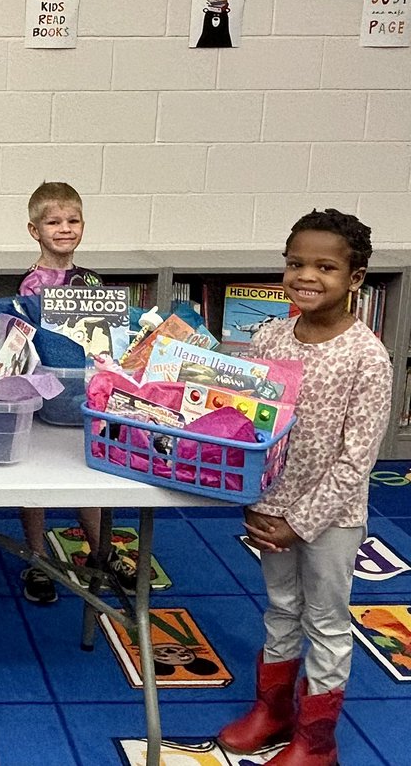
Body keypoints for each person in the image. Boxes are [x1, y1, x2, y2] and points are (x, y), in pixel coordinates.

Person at [216, 209, 391, 766]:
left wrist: (301, 522)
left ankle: (317, 742)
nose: (306, 276)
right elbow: (247, 417)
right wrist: (255, 499)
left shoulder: (367, 356)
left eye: (325, 267)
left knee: (327, 619)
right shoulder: (271, 336)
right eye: (295, 264)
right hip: (271, 506)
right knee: (281, 607)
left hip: (330, 519)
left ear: (355, 279)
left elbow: (355, 460)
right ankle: (274, 711)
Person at [16, 182, 114, 605]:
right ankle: (37, 556)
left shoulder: (91, 280)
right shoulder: (31, 286)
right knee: (37, 479)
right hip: (45, 392)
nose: (65, 229)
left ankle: (102, 553)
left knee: (88, 474)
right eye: (54, 222)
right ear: (35, 230)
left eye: (72, 221)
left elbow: (107, 340)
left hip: (85, 392)